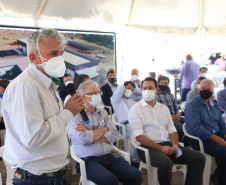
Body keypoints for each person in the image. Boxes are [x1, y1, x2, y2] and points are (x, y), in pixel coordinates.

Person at [2, 28, 85, 185]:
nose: (59, 58)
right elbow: (33, 137)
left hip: (52, 176)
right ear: (34, 58)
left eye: (61, 53)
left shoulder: (46, 84)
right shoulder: (25, 86)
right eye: (53, 54)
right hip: (35, 179)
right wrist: (68, 113)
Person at [128, 77, 205, 185]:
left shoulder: (163, 108)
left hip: (167, 145)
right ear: (141, 90)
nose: (147, 90)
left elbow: (172, 130)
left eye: (150, 88)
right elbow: (139, 137)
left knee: (199, 158)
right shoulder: (136, 109)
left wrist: (175, 145)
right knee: (166, 163)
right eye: (144, 88)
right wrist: (161, 148)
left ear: (156, 90)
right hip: (147, 148)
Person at [69, 80, 142, 185]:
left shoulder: (102, 112)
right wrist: (104, 130)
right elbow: (84, 139)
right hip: (88, 161)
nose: (97, 95)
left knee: (135, 175)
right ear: (83, 96)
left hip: (109, 157)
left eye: (98, 92)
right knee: (110, 180)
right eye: (93, 93)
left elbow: (115, 136)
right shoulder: (75, 115)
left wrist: (90, 132)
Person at [185, 79, 226, 185]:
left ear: (212, 91)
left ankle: (218, 176)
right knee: (224, 152)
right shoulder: (192, 105)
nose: (205, 91)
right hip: (200, 139)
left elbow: (221, 124)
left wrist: (224, 136)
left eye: (208, 89)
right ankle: (218, 177)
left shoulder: (214, 105)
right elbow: (196, 128)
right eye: (203, 89)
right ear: (199, 90)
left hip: (216, 135)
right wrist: (217, 139)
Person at [110, 81, 139, 167]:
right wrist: (124, 87)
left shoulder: (132, 102)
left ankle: (145, 157)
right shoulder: (116, 100)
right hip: (125, 126)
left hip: (136, 123)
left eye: (132, 90)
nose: (130, 91)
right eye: (128, 88)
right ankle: (135, 162)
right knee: (137, 138)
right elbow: (120, 89)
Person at [156, 76, 185, 144]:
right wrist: (170, 117)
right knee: (182, 128)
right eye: (162, 83)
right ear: (158, 83)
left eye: (165, 83)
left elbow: (176, 108)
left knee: (189, 124)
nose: (163, 84)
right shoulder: (156, 96)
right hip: (165, 119)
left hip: (175, 117)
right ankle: (178, 143)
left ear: (168, 84)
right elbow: (158, 112)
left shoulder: (171, 95)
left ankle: (185, 143)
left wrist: (178, 114)